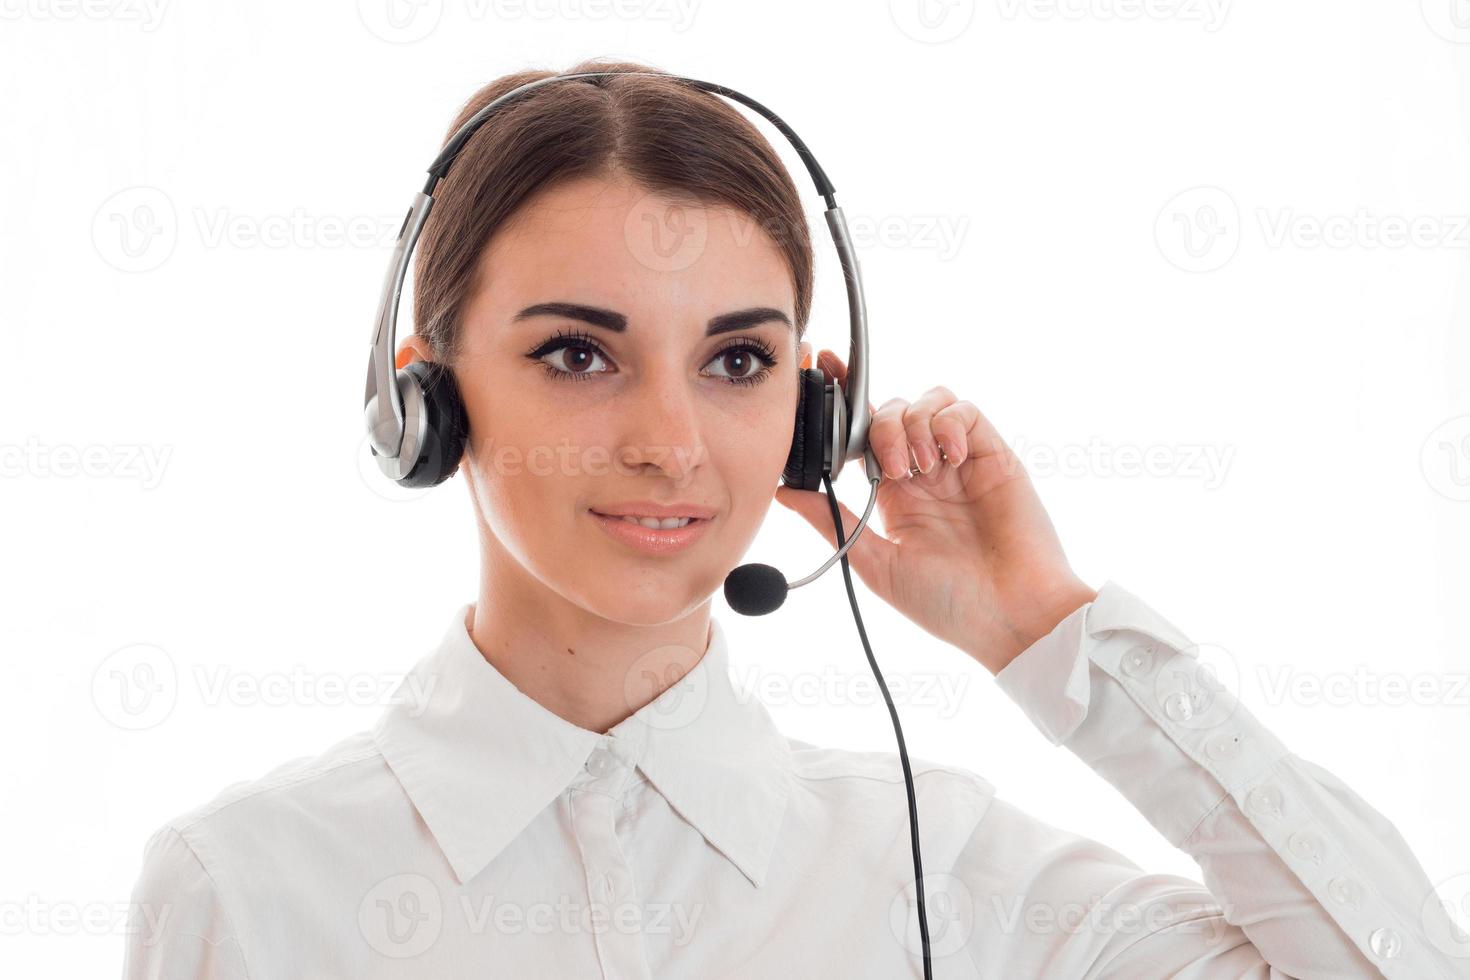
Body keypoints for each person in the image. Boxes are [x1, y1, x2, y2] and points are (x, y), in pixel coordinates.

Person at [122, 60, 1466, 979]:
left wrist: (1047, 635)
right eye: (577, 355)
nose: (668, 444)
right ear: (422, 396)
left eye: (736, 360)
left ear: (816, 413)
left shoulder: (943, 866)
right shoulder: (241, 886)